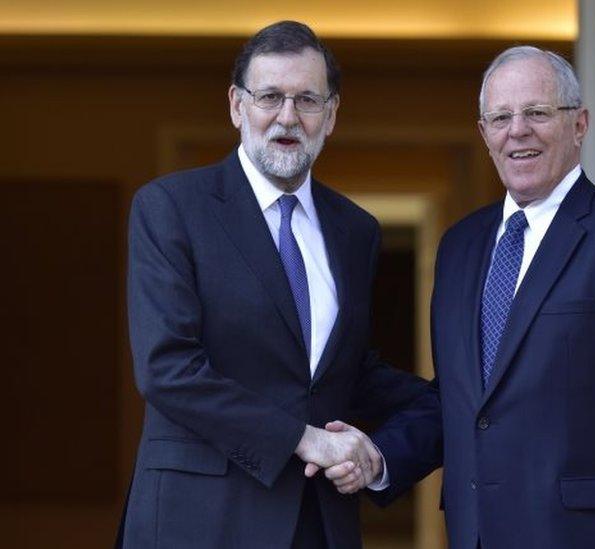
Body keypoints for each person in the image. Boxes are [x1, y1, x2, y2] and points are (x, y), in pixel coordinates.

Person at [118, 21, 435, 548]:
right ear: (236, 106)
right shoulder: (171, 208)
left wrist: (429, 423)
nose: (287, 117)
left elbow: (343, 374)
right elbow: (167, 368)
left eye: (307, 100)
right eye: (269, 97)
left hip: (318, 523)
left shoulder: (356, 230)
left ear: (331, 115)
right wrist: (303, 440)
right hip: (199, 522)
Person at [376, 45, 595, 548]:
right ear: (484, 133)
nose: (518, 130)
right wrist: (378, 458)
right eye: (501, 117)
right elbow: (464, 402)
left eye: (537, 112)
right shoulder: (460, 246)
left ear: (579, 125)